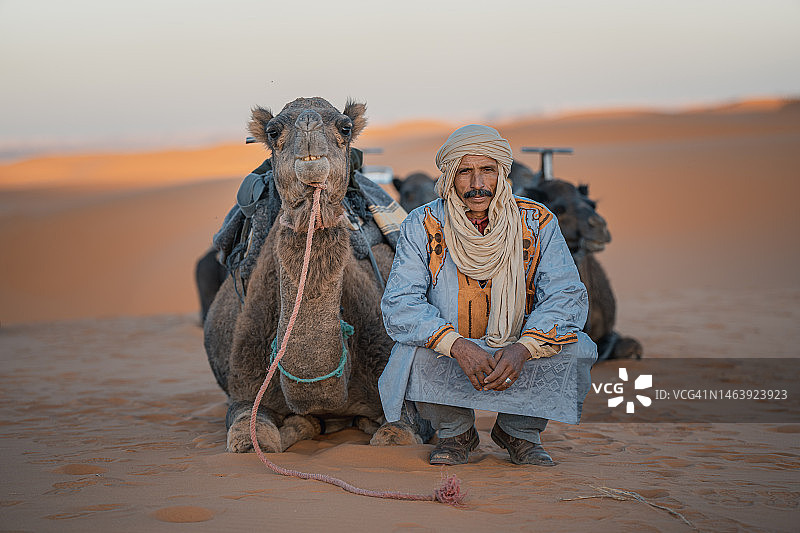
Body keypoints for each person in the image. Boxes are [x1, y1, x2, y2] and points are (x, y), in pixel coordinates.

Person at [378, 125, 597, 466]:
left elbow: (565, 295)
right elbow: (400, 303)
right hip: (452, 346)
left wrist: (524, 347)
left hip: (517, 345)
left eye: (487, 171)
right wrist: (456, 345)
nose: (477, 184)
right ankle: (455, 432)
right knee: (409, 353)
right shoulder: (421, 224)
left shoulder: (537, 222)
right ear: (450, 175)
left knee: (575, 348)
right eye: (465, 171)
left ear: (502, 173)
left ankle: (518, 432)